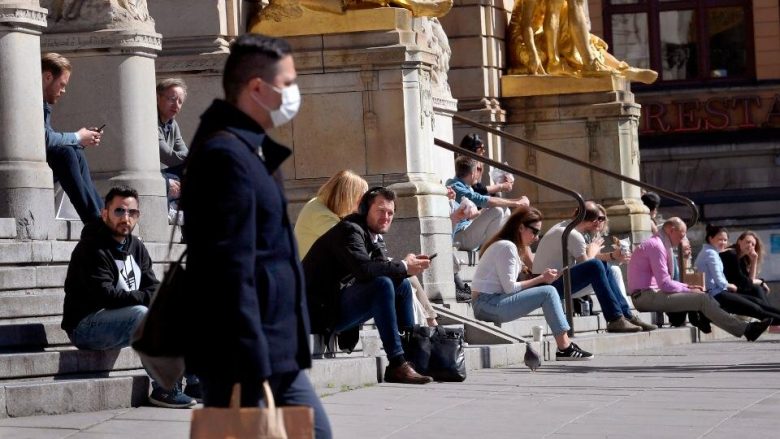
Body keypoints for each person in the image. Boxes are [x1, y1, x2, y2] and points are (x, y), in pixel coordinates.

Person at [180, 34, 331, 438]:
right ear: (257, 88)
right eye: (288, 82)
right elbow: (228, 266)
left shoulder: (249, 151)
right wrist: (250, 359)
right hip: (247, 351)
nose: (294, 92)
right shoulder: (224, 157)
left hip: (271, 346)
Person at [61, 186, 196, 408]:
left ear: (138, 216)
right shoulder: (92, 248)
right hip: (86, 326)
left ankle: (195, 381)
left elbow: (153, 286)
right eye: (119, 211)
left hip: (121, 319)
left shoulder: (136, 246)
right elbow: (107, 297)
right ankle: (165, 389)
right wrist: (147, 298)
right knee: (142, 314)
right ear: (105, 214)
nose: (126, 218)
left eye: (131, 212)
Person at [303, 187, 434, 384]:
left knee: (402, 285)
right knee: (381, 285)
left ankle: (410, 358)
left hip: (337, 303)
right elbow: (364, 270)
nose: (386, 217)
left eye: (390, 213)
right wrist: (405, 266)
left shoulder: (373, 235)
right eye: (381, 211)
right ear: (365, 210)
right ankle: (397, 362)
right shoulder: (350, 230)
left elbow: (383, 268)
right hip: (320, 311)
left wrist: (404, 267)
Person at [471, 206, 594, 361]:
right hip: (487, 304)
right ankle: (564, 347)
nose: (536, 238)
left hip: (488, 302)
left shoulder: (508, 246)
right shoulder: (507, 247)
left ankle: (566, 345)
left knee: (548, 291)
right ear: (521, 227)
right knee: (548, 292)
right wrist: (541, 278)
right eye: (535, 231)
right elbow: (510, 288)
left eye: (538, 233)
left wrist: (542, 277)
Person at [627, 217, 770, 341]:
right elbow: (665, 284)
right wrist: (689, 288)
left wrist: (688, 288)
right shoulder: (656, 246)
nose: (682, 239)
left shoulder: (659, 244)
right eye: (681, 235)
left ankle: (703, 318)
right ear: (671, 230)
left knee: (700, 295)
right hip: (645, 296)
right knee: (701, 298)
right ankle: (746, 329)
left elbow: (665, 283)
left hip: (650, 294)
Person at [533, 201, 656, 332]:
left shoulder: (566, 227)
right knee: (597, 266)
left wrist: (612, 256)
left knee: (604, 266)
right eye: (600, 220)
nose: (600, 225)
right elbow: (588, 266)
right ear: (594, 221)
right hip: (548, 286)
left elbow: (589, 263)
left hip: (552, 281)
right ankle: (615, 319)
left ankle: (626, 315)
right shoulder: (573, 235)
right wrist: (592, 251)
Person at [42, 53, 104, 224]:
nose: (63, 90)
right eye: (62, 84)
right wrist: (77, 137)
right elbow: (44, 139)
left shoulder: (42, 103)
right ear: (48, 77)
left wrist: (80, 140)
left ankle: (102, 216)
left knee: (73, 152)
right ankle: (94, 221)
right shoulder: (31, 100)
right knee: (66, 153)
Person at [695, 225, 780, 324]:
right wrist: (729, 285)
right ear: (710, 238)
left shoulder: (714, 252)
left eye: (725, 240)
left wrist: (754, 261)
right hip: (718, 293)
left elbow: (747, 282)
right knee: (756, 306)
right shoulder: (717, 254)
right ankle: (770, 324)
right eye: (720, 239)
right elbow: (724, 280)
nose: (723, 243)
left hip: (722, 291)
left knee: (758, 303)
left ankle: (767, 324)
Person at [447, 156, 529, 251]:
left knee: (504, 210)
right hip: (459, 238)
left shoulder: (464, 186)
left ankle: (501, 247)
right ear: (473, 173)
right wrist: (517, 203)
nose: (480, 173)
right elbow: (482, 200)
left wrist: (516, 201)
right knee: (497, 211)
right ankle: (489, 251)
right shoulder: (455, 187)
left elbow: (477, 211)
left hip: (467, 230)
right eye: (478, 169)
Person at [294, 170, 368, 258]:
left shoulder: (319, 204)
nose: (361, 204)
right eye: (360, 199)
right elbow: (349, 247)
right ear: (348, 197)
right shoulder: (321, 214)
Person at [156, 78, 189, 219]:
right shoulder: (150, 120)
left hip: (169, 174)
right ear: (157, 98)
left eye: (180, 101)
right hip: (155, 175)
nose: (176, 105)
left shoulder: (172, 124)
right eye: (172, 99)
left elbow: (185, 154)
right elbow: (168, 156)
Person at [720, 231, 772, 299]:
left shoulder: (741, 260)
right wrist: (761, 281)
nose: (750, 245)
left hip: (735, 290)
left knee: (757, 290)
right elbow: (745, 283)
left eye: (753, 244)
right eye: (748, 242)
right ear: (739, 241)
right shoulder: (731, 254)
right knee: (757, 289)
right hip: (724, 292)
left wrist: (754, 260)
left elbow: (749, 282)